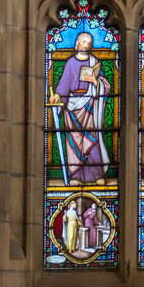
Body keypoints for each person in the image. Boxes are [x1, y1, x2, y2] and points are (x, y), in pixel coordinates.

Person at [50, 32, 111, 185]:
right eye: (84, 41)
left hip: (89, 104)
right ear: (77, 43)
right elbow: (64, 84)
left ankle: (96, 175)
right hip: (72, 107)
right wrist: (57, 97)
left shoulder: (94, 61)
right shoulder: (70, 63)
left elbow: (105, 84)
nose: (87, 44)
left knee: (92, 138)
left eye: (89, 42)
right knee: (74, 141)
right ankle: (75, 176)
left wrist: (95, 81)